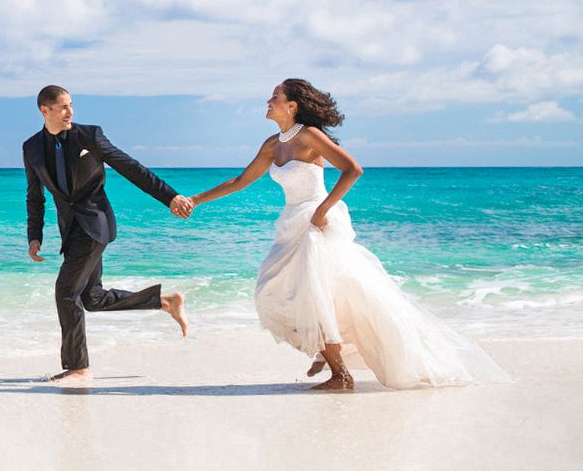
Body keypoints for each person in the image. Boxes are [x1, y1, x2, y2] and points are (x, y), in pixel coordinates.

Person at [188, 78, 505, 391]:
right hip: (292, 222)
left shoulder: (310, 136)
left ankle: (340, 374)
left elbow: (352, 169)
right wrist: (195, 200)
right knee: (273, 292)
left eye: (274, 96)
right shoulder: (273, 145)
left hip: (316, 222)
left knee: (315, 295)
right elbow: (241, 181)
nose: (268, 102)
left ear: (292, 105)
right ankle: (325, 352)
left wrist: (323, 210)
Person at [23, 85, 192, 386]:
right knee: (93, 298)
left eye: (71, 105)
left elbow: (132, 169)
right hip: (70, 230)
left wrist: (170, 197)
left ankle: (78, 368)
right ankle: (165, 302)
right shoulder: (32, 148)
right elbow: (35, 196)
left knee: (65, 291)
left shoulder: (90, 136)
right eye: (62, 107)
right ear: (44, 110)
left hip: (95, 225)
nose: (70, 112)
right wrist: (34, 235)